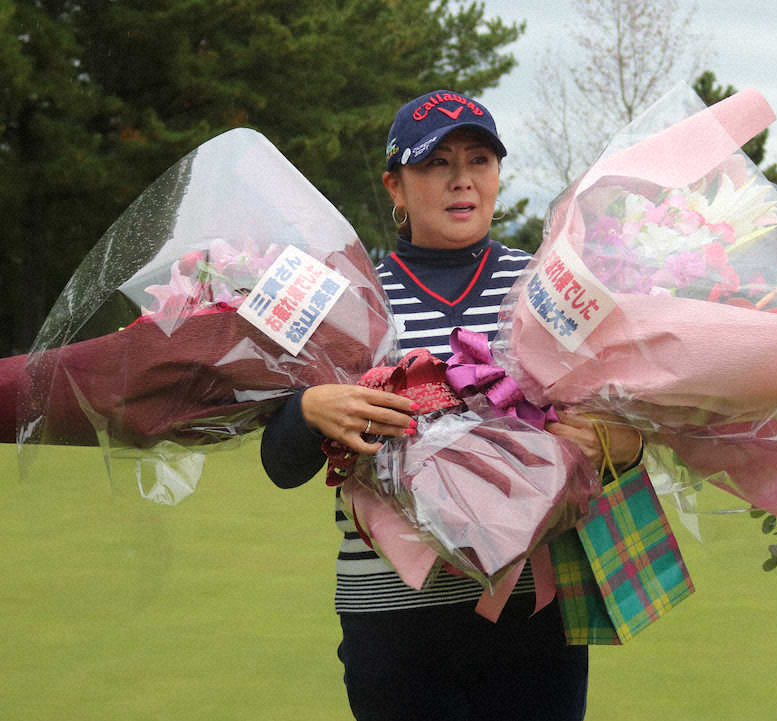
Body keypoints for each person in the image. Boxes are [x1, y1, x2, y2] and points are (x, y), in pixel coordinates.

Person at [260, 89, 642, 721]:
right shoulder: (343, 296)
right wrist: (307, 410)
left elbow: (625, 423)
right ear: (396, 186)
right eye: (436, 163)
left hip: (533, 615)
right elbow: (281, 464)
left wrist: (621, 447)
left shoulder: (551, 285)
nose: (462, 181)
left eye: (480, 160)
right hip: (392, 618)